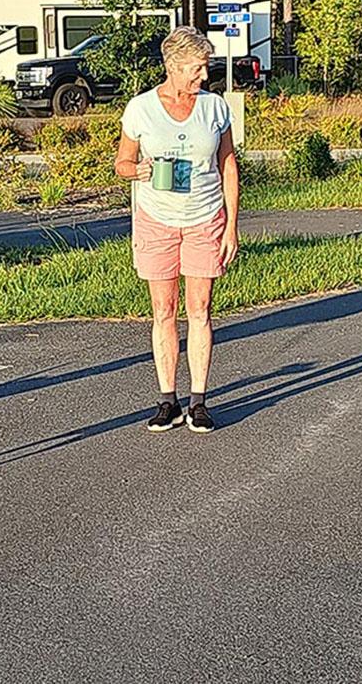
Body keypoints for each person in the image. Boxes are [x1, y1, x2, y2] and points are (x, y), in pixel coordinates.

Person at [114, 26, 240, 433]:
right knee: (163, 311)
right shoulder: (141, 109)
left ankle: (199, 400)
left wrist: (231, 226)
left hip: (205, 218)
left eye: (205, 67)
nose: (203, 76)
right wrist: (140, 170)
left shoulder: (215, 107)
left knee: (200, 310)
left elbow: (228, 165)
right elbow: (122, 164)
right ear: (173, 66)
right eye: (197, 68)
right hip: (156, 219)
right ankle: (167, 398)